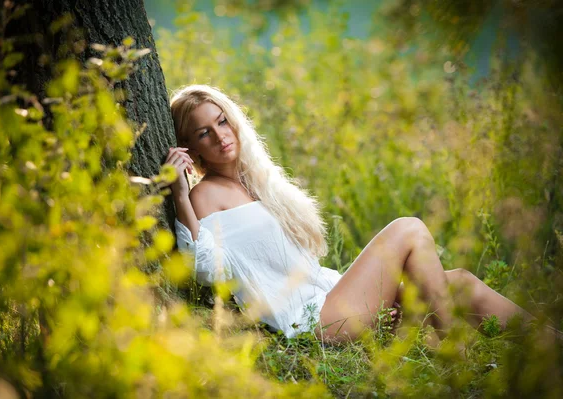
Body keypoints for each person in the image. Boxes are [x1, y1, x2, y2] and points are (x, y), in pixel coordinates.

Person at [165, 84, 541, 344]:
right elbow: (203, 269)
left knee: (459, 282)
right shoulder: (205, 195)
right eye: (203, 134)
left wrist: (374, 299)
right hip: (314, 322)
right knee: (407, 229)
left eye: (221, 121)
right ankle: (457, 354)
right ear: (190, 147)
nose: (219, 136)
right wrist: (181, 195)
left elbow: (303, 272)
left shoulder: (257, 185)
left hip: (331, 301)